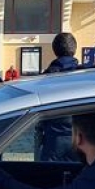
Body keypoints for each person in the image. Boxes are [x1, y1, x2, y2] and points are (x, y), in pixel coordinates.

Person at [39, 32, 82, 160]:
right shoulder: (85, 75)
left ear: (54, 51)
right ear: (74, 50)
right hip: (82, 139)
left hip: (53, 138)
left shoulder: (45, 78)